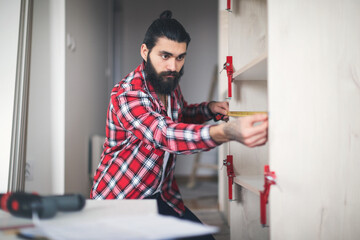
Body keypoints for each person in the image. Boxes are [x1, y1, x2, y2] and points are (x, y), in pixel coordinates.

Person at [91, 10, 268, 240]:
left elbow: (180, 114)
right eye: (165, 56)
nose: (173, 66)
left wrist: (208, 108)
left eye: (180, 57)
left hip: (161, 195)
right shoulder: (127, 94)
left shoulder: (169, 83)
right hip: (120, 201)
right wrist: (226, 132)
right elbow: (165, 134)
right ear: (145, 51)